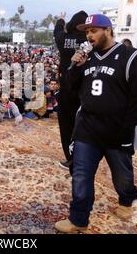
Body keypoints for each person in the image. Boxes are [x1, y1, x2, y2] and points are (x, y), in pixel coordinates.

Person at [55, 14, 137, 233]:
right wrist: (75, 66)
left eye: (94, 30)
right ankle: (78, 219)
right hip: (88, 126)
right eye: (87, 32)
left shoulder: (131, 56)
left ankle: (127, 200)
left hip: (117, 128)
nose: (89, 35)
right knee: (80, 174)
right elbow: (69, 88)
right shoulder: (87, 57)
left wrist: (128, 131)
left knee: (122, 176)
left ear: (108, 30)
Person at [54, 11, 89, 170]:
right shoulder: (89, 41)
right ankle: (86, 157)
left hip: (67, 90)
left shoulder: (64, 39)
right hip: (85, 90)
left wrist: (61, 19)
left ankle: (71, 158)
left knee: (67, 126)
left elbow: (57, 31)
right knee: (83, 126)